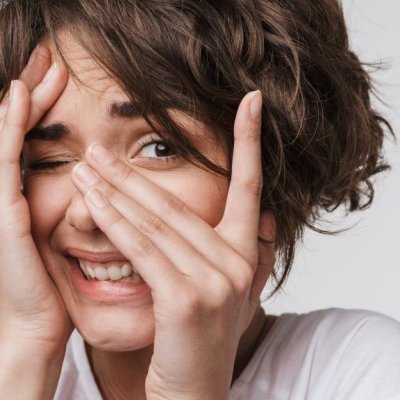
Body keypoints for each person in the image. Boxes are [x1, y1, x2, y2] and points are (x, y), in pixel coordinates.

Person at [0, 0, 399, 399]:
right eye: (49, 161)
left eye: (159, 148)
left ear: (272, 172)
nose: (88, 212)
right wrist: (24, 350)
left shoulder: (368, 371)